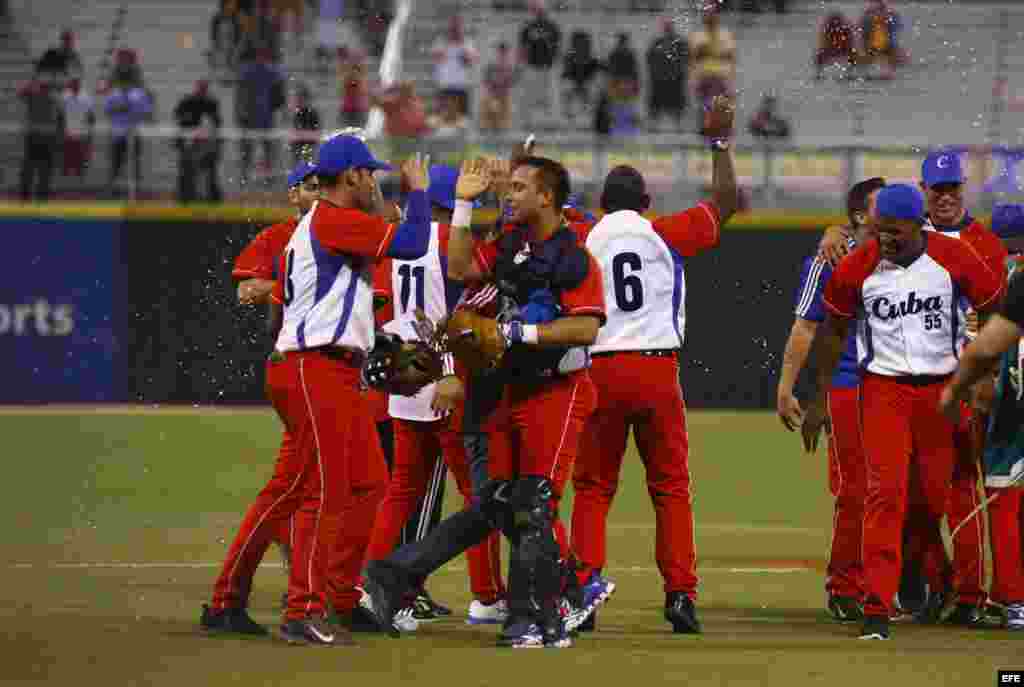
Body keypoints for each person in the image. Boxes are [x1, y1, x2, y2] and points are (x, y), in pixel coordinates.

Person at [365, 154, 607, 649]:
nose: (509, 193)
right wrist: (461, 206)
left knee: (531, 503)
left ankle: (531, 616)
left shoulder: (575, 256)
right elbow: (459, 267)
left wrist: (520, 330)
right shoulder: (508, 246)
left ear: (546, 197)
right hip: (501, 391)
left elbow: (586, 326)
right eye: (510, 187)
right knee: (499, 503)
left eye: (520, 187)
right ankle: (401, 576)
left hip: (553, 389)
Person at [202, 137, 431, 646]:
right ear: (350, 176)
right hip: (313, 368)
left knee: (366, 482)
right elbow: (413, 242)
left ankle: (325, 596)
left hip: (329, 368)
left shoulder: (327, 224)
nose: (374, 180)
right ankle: (303, 610)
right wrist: (418, 192)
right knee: (320, 491)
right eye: (368, 173)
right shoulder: (332, 219)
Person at [804, 183, 1004, 640]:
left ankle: (917, 572)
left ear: (918, 225)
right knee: (884, 494)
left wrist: (985, 375)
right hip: (883, 391)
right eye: (879, 231)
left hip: (943, 392)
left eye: (893, 232)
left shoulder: (954, 258)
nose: (884, 240)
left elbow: (995, 310)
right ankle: (876, 606)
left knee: (931, 499)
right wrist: (818, 400)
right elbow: (832, 331)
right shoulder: (859, 265)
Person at [569, 95, 738, 635]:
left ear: (602, 203)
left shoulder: (584, 236)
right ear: (645, 203)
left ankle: (585, 592)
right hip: (657, 367)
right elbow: (726, 204)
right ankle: (680, 595)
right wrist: (720, 144)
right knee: (670, 488)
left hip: (599, 368)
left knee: (593, 489)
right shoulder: (663, 232)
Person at [361, 164, 507, 628]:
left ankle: (365, 585)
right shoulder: (449, 243)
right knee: (475, 496)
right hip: (447, 379)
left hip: (405, 376)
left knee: (402, 489)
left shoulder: (396, 243)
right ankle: (486, 595)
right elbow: (456, 312)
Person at [776, 178, 885, 622]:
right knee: (856, 491)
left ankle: (909, 583)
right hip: (849, 384)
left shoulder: (911, 250)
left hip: (902, 382)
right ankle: (846, 585)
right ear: (860, 216)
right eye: (883, 205)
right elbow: (805, 327)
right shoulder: (829, 261)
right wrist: (788, 386)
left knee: (908, 491)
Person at [940, 204, 1024, 632]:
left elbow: (993, 345)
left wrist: (962, 387)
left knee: (1004, 497)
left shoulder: (1011, 279)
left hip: (1013, 403)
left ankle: (1011, 599)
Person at [236, 48, 286, 183]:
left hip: (265, 116)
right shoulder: (248, 71)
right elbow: (241, 92)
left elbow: (280, 88)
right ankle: (245, 174)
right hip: (250, 115)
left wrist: (280, 107)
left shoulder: (270, 71)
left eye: (264, 56)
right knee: (248, 146)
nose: (261, 59)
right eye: (260, 56)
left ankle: (267, 175)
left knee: (267, 147)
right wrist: (241, 112)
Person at [173, 79, 223, 203]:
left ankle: (213, 197)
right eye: (200, 87)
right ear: (196, 88)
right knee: (186, 169)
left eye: (204, 88)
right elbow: (178, 117)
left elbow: (217, 122)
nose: (202, 90)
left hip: (206, 142)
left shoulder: (212, 103)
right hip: (189, 142)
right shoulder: (186, 101)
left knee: (210, 170)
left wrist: (212, 139)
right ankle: (184, 196)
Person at [688, 5, 736, 135]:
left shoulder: (725, 34)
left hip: (721, 77)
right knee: (704, 110)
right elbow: (693, 58)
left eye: (712, 14)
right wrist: (693, 79)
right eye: (707, 14)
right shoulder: (697, 35)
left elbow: (730, 56)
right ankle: (704, 136)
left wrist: (731, 81)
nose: (709, 17)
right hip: (704, 77)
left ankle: (721, 137)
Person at [104, 71, 152, 193]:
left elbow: (147, 112)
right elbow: (107, 111)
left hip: (134, 133)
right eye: (122, 82)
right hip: (118, 133)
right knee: (116, 162)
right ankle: (113, 188)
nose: (124, 84)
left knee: (135, 162)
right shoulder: (113, 94)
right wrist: (120, 109)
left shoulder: (139, 94)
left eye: (127, 81)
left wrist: (135, 111)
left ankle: (136, 188)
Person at [18, 78, 64, 202]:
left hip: (40, 135)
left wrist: (32, 83)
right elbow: (21, 93)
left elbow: (21, 93)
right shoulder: (47, 96)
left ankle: (34, 195)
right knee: (35, 168)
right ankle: (32, 195)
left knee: (38, 168)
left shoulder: (38, 95)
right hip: (40, 135)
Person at [518, 0, 562, 128]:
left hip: (548, 67)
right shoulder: (528, 27)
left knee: (551, 96)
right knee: (529, 95)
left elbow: (558, 46)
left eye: (542, 10)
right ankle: (527, 122)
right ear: (534, 12)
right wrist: (522, 63)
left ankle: (553, 123)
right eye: (538, 10)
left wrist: (555, 61)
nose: (540, 13)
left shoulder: (552, 26)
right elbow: (522, 47)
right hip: (532, 66)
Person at [430, 16, 478, 119]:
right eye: (453, 26)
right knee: (443, 120)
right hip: (445, 86)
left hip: (462, 86)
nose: (455, 29)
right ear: (449, 27)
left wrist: (462, 45)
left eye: (458, 26)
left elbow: (469, 61)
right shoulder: (440, 41)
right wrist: (448, 45)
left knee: (463, 120)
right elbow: (437, 58)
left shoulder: (468, 42)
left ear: (462, 27)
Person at [646, 17, 688, 133]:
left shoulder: (680, 43)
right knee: (655, 104)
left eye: (669, 26)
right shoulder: (656, 42)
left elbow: (685, 59)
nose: (668, 29)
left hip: (675, 80)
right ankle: (653, 125)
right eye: (666, 26)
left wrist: (677, 72)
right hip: (659, 80)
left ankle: (679, 126)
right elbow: (649, 59)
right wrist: (655, 73)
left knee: (677, 105)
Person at [562, 31, 602, 127]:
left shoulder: (591, 58)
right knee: (567, 90)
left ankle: (588, 116)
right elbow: (567, 73)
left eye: (583, 43)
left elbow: (595, 70)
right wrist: (576, 84)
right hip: (574, 83)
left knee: (592, 92)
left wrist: (585, 83)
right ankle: (570, 116)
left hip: (586, 83)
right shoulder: (569, 57)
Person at [860, 0, 906, 80]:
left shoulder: (890, 16)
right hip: (874, 47)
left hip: (884, 47)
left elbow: (894, 34)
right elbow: (863, 34)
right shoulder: (868, 17)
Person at [480, 42, 519, 132]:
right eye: (500, 52)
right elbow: (486, 81)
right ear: (497, 52)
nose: (502, 55)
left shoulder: (510, 66)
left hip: (504, 96)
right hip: (492, 95)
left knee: (503, 124)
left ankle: (499, 130)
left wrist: (506, 80)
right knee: (489, 121)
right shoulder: (491, 65)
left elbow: (512, 81)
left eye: (505, 52)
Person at [61, 78, 95, 178]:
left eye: (76, 83)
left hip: (81, 132)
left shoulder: (86, 97)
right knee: (67, 158)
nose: (75, 85)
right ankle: (66, 176)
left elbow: (91, 116)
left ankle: (79, 176)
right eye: (73, 83)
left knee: (80, 158)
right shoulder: (64, 96)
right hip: (68, 132)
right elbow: (60, 115)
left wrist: (89, 132)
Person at [815, 11, 857, 80]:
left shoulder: (845, 29)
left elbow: (850, 41)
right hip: (833, 49)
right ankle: (819, 73)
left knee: (853, 55)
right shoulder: (829, 29)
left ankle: (849, 73)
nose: (836, 23)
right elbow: (824, 42)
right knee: (819, 56)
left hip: (841, 49)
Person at [337, 47, 370, 128]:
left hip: (358, 109)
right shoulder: (347, 75)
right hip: (348, 109)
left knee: (358, 133)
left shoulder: (360, 75)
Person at [289, 82, 321, 165]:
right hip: (299, 143)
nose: (298, 100)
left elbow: (316, 130)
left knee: (306, 162)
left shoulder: (312, 113)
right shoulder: (298, 113)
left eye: (300, 98)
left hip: (308, 142)